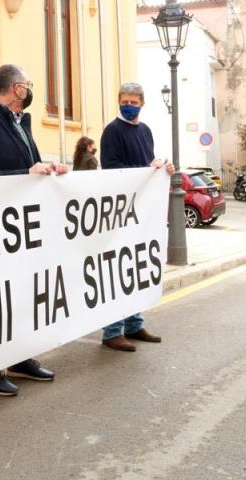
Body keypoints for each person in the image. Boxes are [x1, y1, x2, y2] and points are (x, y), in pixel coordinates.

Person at [0, 64, 68, 395]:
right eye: (26, 84)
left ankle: (19, 357)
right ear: (14, 88)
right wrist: (26, 171)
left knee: (22, 294)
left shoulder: (22, 123)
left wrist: (49, 169)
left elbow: (32, 166)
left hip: (25, 227)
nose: (29, 89)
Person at [99, 82, 174, 352]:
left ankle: (134, 324)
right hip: (121, 212)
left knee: (136, 267)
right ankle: (111, 331)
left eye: (133, 101)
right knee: (118, 270)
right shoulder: (111, 131)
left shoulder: (145, 131)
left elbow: (149, 164)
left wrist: (162, 169)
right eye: (124, 101)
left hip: (142, 212)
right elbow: (112, 170)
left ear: (142, 103)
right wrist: (146, 169)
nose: (128, 105)